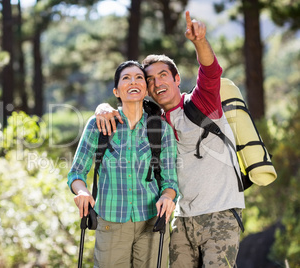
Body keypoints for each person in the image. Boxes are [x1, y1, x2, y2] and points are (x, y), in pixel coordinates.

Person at [95, 11, 245, 267]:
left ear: (176, 78)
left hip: (221, 213)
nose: (156, 83)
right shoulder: (156, 124)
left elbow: (211, 71)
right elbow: (128, 110)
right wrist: (103, 108)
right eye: (149, 79)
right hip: (182, 218)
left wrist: (199, 41)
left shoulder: (203, 103)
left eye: (163, 75)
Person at [68, 60, 179, 267]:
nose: (133, 82)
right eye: (126, 78)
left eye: (138, 78)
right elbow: (76, 173)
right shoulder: (98, 125)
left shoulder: (161, 129)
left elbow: (170, 181)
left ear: (145, 88)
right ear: (116, 91)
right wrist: (81, 192)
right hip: (111, 225)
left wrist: (167, 197)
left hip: (152, 224)